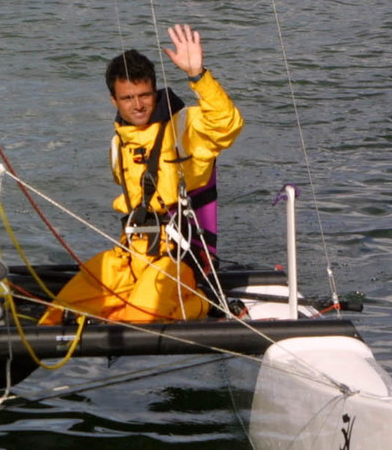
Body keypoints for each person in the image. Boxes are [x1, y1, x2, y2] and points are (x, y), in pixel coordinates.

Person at [41, 23, 242, 325]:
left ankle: (206, 303)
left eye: (144, 95)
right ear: (114, 100)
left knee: (139, 317)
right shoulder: (118, 142)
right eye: (128, 98)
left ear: (155, 91)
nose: (137, 105)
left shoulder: (185, 128)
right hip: (131, 255)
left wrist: (197, 76)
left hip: (179, 259)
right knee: (57, 314)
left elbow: (227, 124)